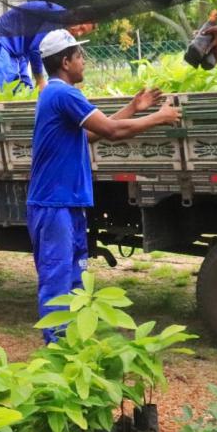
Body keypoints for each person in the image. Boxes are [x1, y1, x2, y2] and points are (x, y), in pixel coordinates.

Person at [27, 30, 180, 342]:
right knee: (57, 285)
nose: (84, 61)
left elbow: (91, 134)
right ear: (65, 61)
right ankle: (56, 353)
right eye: (80, 56)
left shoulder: (57, 94)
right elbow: (111, 131)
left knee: (75, 282)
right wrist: (159, 118)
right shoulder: (63, 94)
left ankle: (73, 346)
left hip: (65, 203)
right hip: (54, 204)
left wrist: (134, 109)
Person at [0, 1, 95, 92]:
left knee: (24, 91)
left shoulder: (63, 29)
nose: (78, 33)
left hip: (20, 54)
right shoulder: (58, 16)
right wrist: (40, 82)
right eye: (81, 27)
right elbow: (36, 49)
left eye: (83, 33)